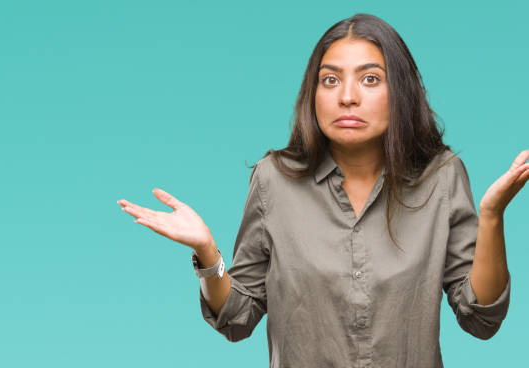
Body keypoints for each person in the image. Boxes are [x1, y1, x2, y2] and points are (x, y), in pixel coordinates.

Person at [117, 13, 529, 368]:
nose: (347, 97)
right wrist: (209, 255)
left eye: (370, 79)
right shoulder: (273, 179)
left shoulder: (442, 176)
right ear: (313, 95)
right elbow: (236, 317)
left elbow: (481, 318)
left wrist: (492, 217)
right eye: (330, 80)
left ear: (400, 91)